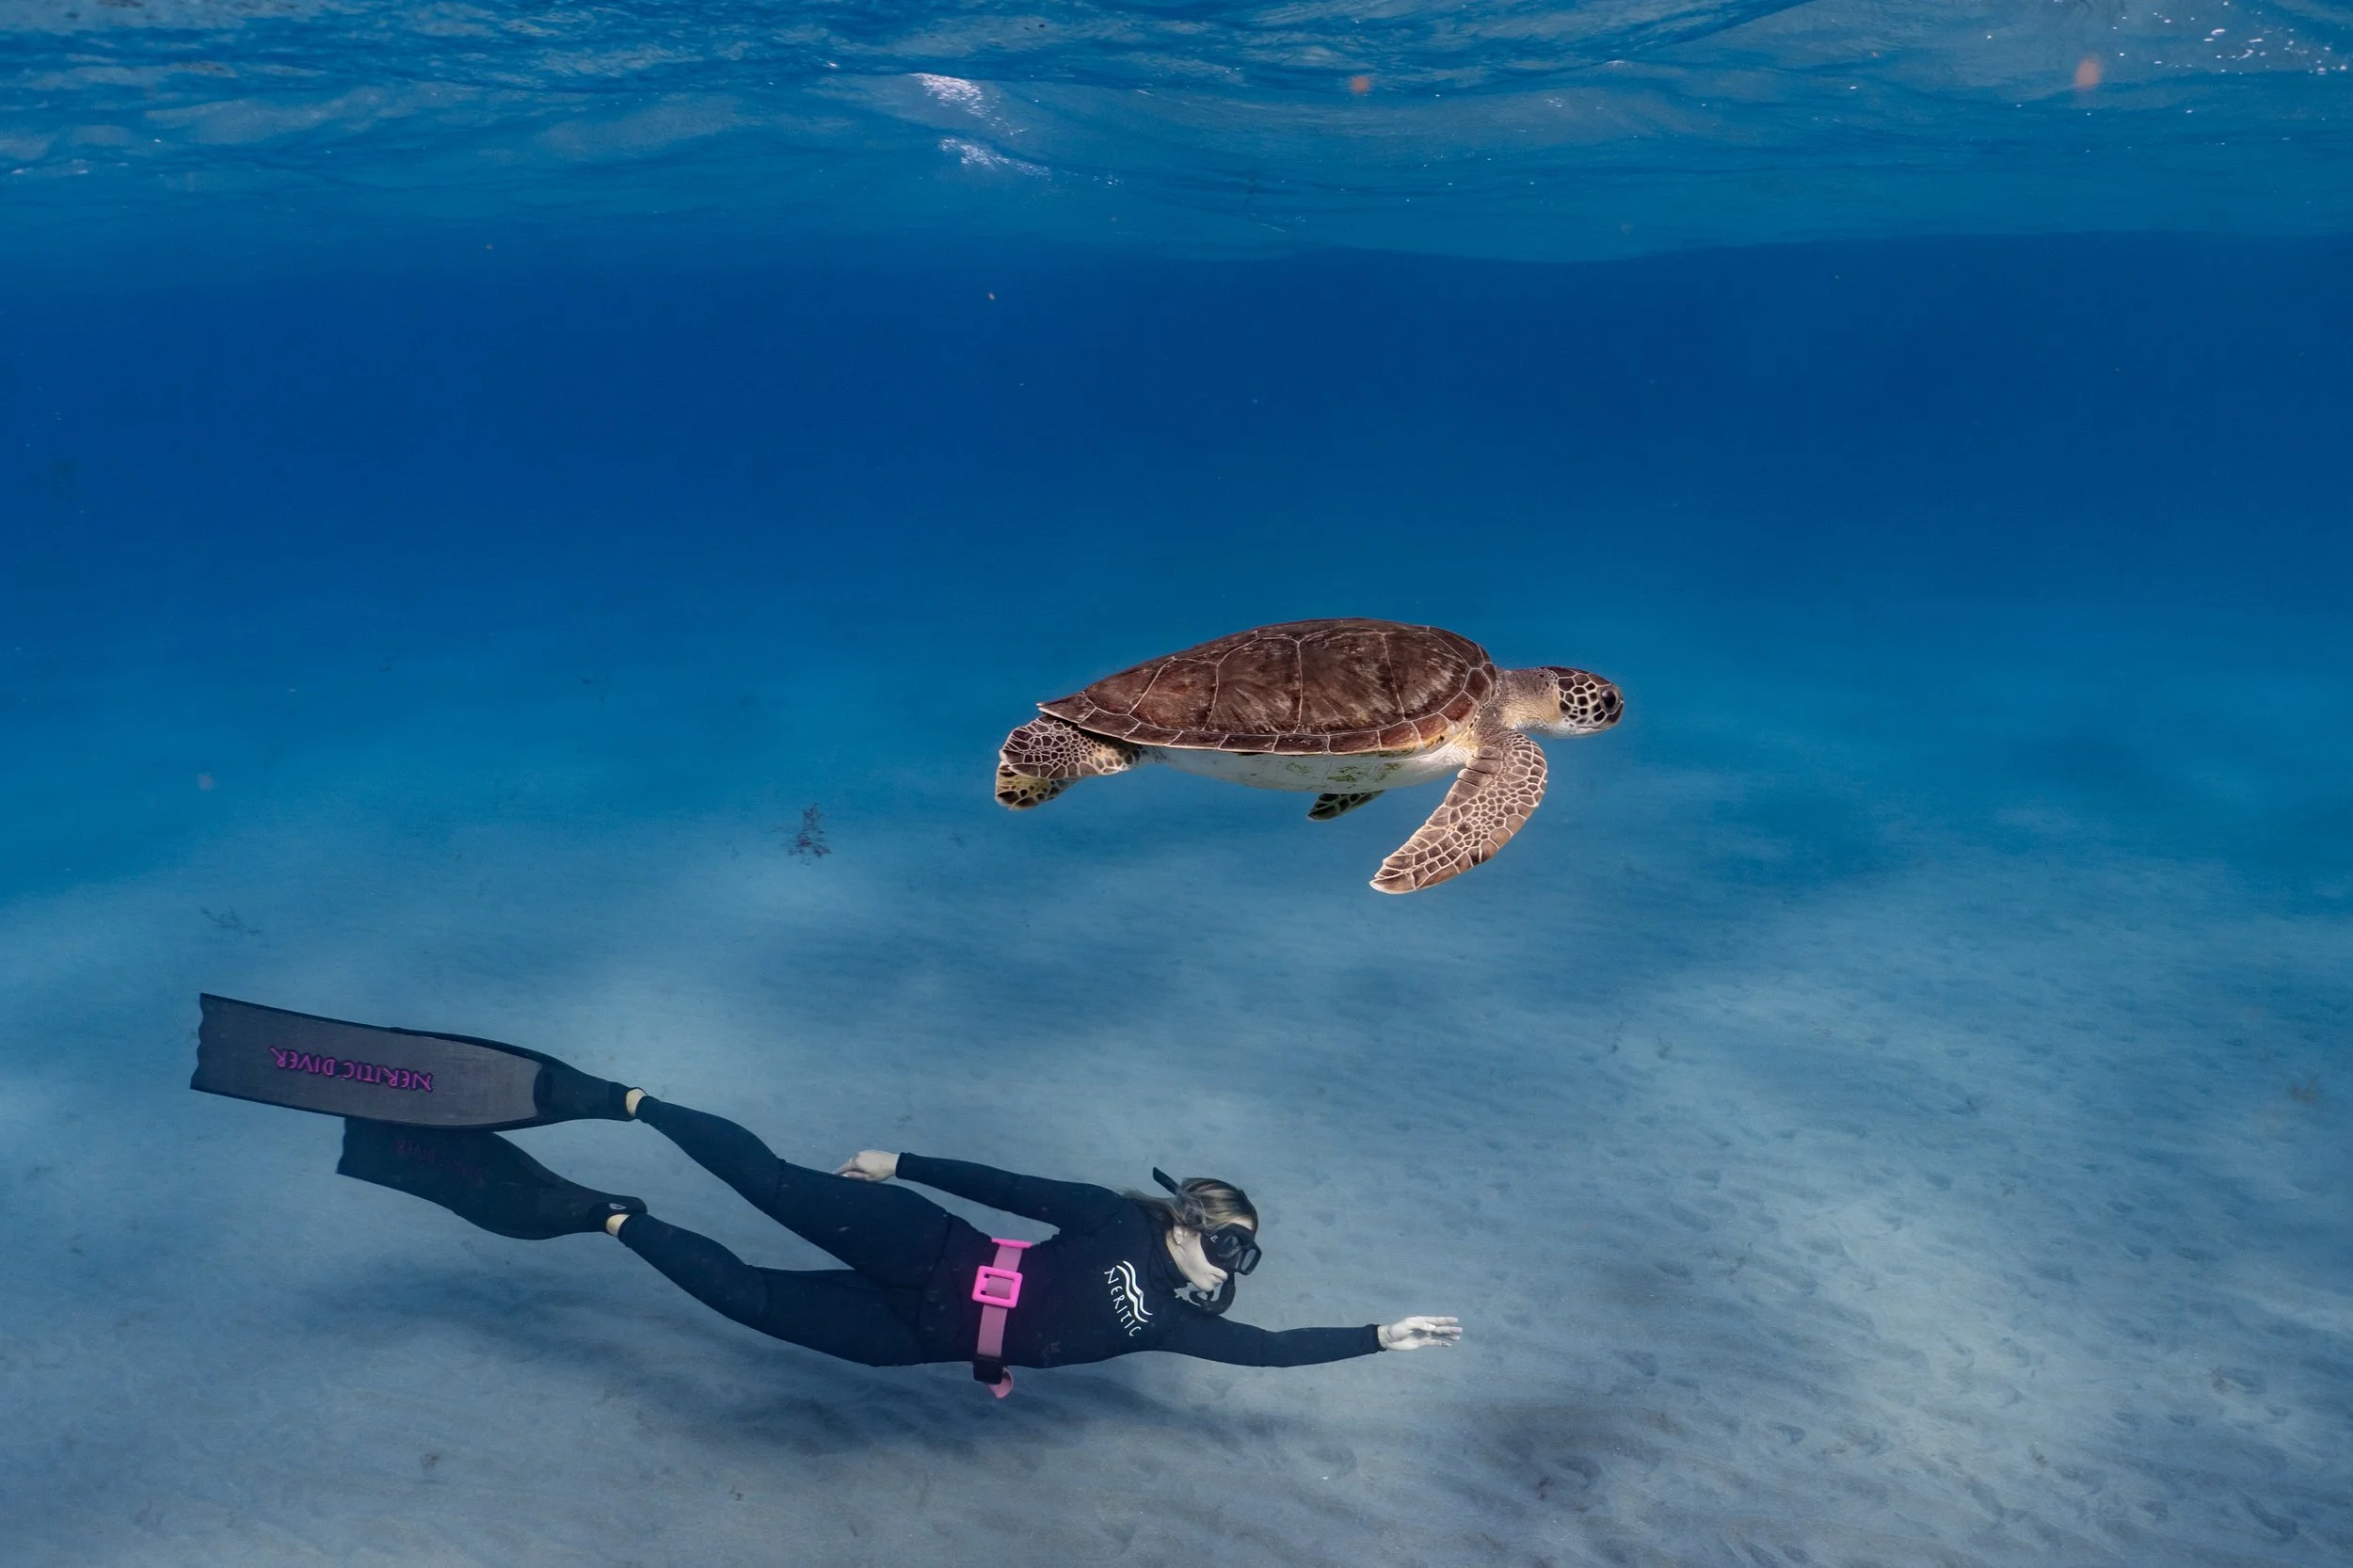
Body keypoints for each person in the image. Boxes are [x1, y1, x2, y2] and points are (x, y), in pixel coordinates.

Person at [602, 1088, 1462, 1387]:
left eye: (1243, 1250)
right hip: (932, 1248)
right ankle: (635, 1103)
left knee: (747, 1299)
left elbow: (1272, 1352)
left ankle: (614, 1216)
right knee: (772, 1183)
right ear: (1183, 1215)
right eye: (1223, 1233)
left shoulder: (1177, 1323)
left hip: (915, 1338)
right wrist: (898, 1161)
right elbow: (1007, 1188)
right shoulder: (1115, 1216)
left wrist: (1379, 1339)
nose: (1227, 1256)